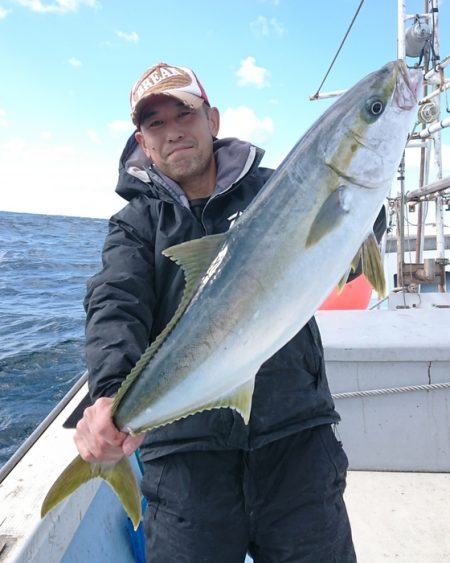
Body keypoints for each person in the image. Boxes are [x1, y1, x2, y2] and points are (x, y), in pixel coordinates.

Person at [74, 61, 358, 562]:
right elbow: (115, 302)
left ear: (214, 120)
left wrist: (364, 200)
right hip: (186, 469)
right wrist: (110, 393)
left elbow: (348, 249)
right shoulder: (136, 225)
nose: (172, 132)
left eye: (183, 113)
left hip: (296, 447)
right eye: (155, 123)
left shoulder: (280, 191)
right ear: (142, 142)